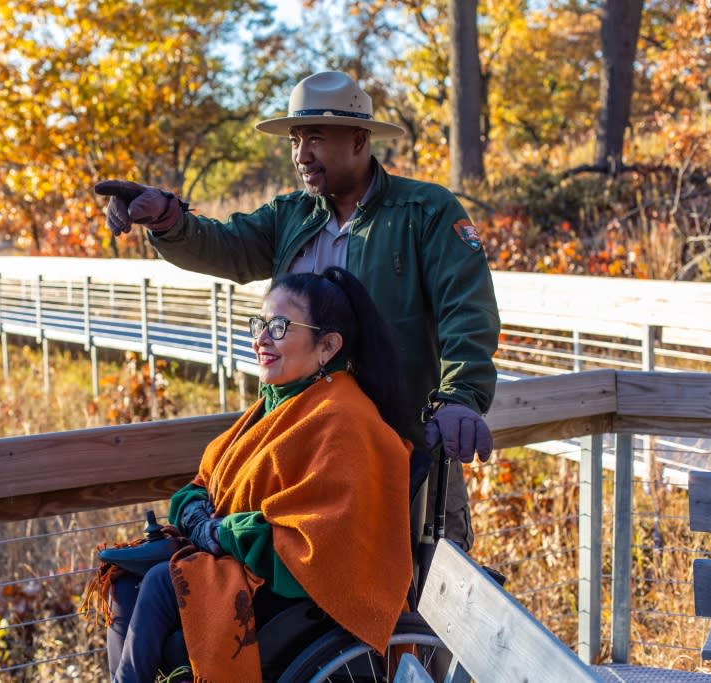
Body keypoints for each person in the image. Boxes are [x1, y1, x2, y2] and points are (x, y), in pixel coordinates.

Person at [95, 70, 500, 551]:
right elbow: (227, 247)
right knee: (314, 571)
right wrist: (169, 218)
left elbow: (466, 309)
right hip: (304, 446)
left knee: (422, 579)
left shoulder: (424, 211)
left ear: (358, 140)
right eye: (295, 140)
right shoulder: (292, 214)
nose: (301, 155)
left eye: (315, 139)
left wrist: (459, 396)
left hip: (401, 443)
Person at [93, 267, 414, 682]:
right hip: (243, 566)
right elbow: (208, 480)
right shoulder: (281, 401)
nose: (261, 338)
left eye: (279, 326)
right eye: (260, 323)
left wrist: (220, 532)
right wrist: (195, 517)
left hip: (295, 592)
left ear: (327, 345)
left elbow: (319, 540)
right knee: (123, 582)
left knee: (159, 583)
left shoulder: (343, 418)